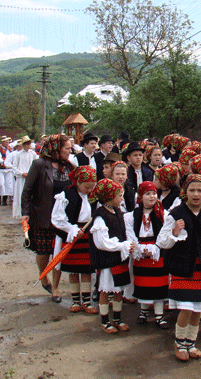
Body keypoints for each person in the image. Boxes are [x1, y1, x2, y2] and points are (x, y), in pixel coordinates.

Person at [158, 174, 201, 361]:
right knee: (186, 309)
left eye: (200, 190)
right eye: (192, 190)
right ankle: (179, 343)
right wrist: (174, 232)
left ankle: (190, 343)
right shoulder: (176, 214)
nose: (196, 194)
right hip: (183, 268)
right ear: (185, 192)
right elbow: (162, 242)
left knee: (198, 308)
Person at [21, 135, 73, 301]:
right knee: (43, 252)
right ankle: (44, 276)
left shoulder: (69, 167)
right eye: (67, 148)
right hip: (43, 216)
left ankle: (56, 288)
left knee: (58, 252)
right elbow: (27, 190)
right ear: (57, 149)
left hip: (63, 218)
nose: (70, 151)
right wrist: (26, 213)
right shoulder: (39, 165)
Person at [89, 179, 135, 334]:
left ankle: (117, 318)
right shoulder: (100, 216)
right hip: (107, 261)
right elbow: (101, 242)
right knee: (105, 289)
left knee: (118, 290)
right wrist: (121, 246)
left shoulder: (117, 212)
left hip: (119, 260)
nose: (122, 199)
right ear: (109, 196)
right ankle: (104, 321)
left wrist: (128, 244)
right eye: (119, 196)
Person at [51, 166, 98, 313]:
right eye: (86, 187)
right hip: (72, 235)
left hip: (87, 236)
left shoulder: (94, 195)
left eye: (92, 187)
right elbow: (57, 218)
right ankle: (75, 301)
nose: (89, 190)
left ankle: (87, 301)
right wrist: (71, 229)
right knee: (73, 270)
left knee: (85, 270)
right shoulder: (66, 195)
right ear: (78, 182)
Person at [124, 182, 169, 328]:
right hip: (141, 254)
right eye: (148, 194)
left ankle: (159, 315)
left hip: (157, 254)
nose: (152, 196)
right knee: (142, 283)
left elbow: (165, 233)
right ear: (140, 197)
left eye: (154, 193)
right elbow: (129, 232)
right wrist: (139, 248)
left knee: (159, 284)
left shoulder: (163, 214)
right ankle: (143, 312)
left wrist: (155, 247)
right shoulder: (133, 215)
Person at [13, 136, 37, 219]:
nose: (28, 146)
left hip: (30, 177)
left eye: (29, 144)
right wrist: (21, 173)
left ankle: (30, 213)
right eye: (26, 144)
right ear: (23, 145)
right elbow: (14, 167)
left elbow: (35, 165)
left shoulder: (33, 154)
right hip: (21, 178)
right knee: (20, 194)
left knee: (30, 195)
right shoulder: (18, 154)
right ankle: (20, 214)